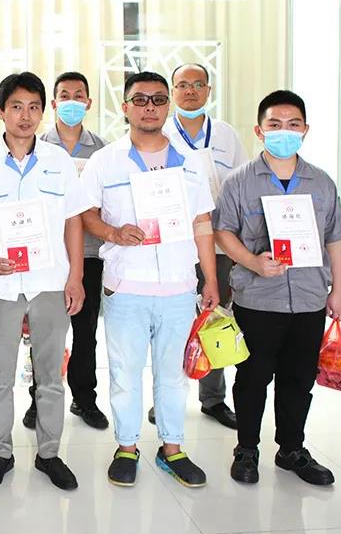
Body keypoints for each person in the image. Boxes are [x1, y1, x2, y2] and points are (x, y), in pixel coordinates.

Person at [79, 70, 219, 489]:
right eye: (140, 100)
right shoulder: (106, 160)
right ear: (125, 108)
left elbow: (202, 223)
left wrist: (210, 280)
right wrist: (113, 232)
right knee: (124, 373)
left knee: (173, 374)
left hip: (178, 286)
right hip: (127, 286)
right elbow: (86, 214)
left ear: (168, 106)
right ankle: (126, 446)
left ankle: (172, 448)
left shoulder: (191, 162)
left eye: (158, 99)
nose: (149, 107)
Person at [214, 90, 341, 486]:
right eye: (274, 124)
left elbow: (336, 241)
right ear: (259, 131)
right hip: (257, 299)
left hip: (309, 298)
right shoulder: (239, 181)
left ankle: (292, 449)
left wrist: (339, 291)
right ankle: (247, 449)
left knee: (299, 379)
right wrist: (253, 261)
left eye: (293, 125)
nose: (283, 131)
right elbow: (223, 233)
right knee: (252, 378)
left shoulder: (321, 183)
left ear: (305, 130)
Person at [0, 71, 84, 491]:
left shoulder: (58, 162)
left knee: (50, 374)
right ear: (1, 111)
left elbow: (73, 221)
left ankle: (49, 454)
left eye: (33, 107)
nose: (25, 116)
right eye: (16, 107)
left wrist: (76, 277)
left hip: (50, 281)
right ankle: (1, 453)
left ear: (43, 111)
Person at [156, 62, 248, 431]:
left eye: (198, 84)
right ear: (173, 91)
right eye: (183, 85)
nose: (190, 91)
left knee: (216, 317)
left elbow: (241, 187)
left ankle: (213, 398)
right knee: (172, 322)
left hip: (220, 242)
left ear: (208, 90)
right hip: (174, 244)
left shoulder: (226, 135)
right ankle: (166, 398)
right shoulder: (159, 133)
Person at [25, 71, 109, 431]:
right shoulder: (37, 145)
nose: (71, 101)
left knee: (85, 331)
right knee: (43, 332)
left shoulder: (103, 150)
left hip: (88, 253)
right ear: (54, 103)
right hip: (46, 255)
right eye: (64, 95)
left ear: (88, 103)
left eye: (79, 95)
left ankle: (84, 398)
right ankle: (38, 399)